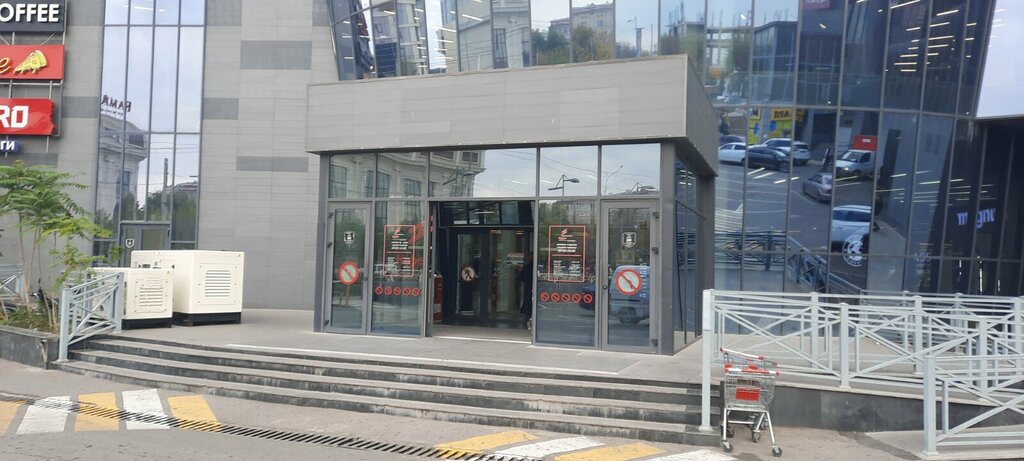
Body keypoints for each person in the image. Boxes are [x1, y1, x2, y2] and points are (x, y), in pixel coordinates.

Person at [519, 252, 534, 330]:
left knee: (528, 302)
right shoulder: (536, 266)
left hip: (528, 287)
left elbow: (521, 277)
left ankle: (527, 319)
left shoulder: (527, 267)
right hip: (533, 286)